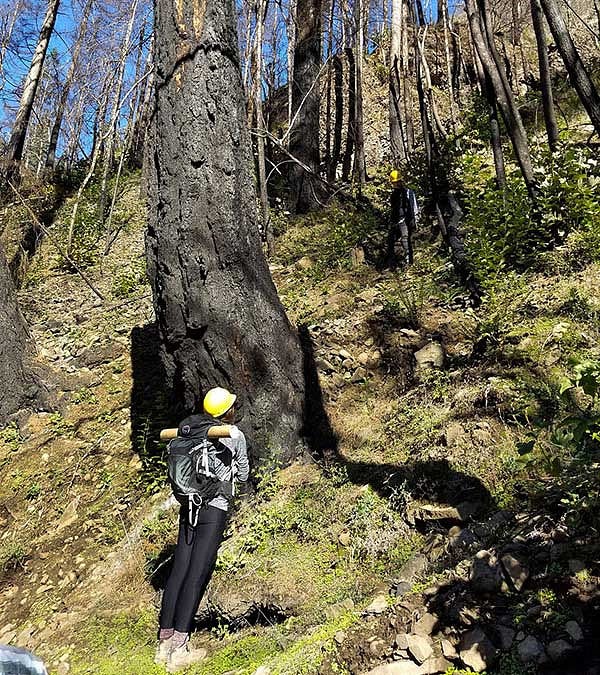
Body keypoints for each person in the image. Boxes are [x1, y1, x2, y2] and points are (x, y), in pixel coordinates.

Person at [155, 387, 249, 672]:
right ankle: (180, 650)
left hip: (189, 507)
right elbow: (243, 473)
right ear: (227, 411)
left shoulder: (190, 432)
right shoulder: (233, 435)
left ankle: (164, 644)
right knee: (197, 575)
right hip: (214, 508)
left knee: (179, 572)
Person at [386, 168, 419, 268]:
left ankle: (409, 261)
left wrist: (415, 219)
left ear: (400, 181)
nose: (395, 184)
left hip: (405, 220)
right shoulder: (394, 195)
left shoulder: (408, 193)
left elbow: (414, 206)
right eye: (394, 183)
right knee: (390, 240)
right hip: (396, 220)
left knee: (405, 239)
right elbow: (393, 208)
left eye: (396, 182)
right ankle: (391, 262)